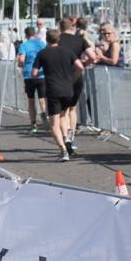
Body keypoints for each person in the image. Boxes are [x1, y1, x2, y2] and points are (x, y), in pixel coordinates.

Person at [32, 30, 84, 162]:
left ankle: (63, 150)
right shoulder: (68, 52)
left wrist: (41, 74)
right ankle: (66, 137)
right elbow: (80, 66)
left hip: (53, 90)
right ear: (59, 39)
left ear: (47, 40)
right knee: (63, 115)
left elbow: (34, 73)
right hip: (68, 89)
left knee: (54, 123)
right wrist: (72, 78)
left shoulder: (42, 53)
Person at [57, 17, 96, 155]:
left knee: (63, 112)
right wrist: (83, 64)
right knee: (73, 109)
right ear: (72, 27)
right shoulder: (80, 40)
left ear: (60, 28)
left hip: (61, 77)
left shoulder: (57, 40)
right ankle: (72, 138)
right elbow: (92, 56)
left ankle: (66, 139)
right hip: (76, 76)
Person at [17, 26, 47, 134]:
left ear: (25, 35)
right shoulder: (41, 44)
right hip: (41, 73)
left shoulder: (24, 45)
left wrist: (20, 64)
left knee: (31, 100)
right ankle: (45, 115)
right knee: (42, 99)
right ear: (34, 34)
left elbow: (21, 59)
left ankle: (33, 124)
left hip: (29, 75)